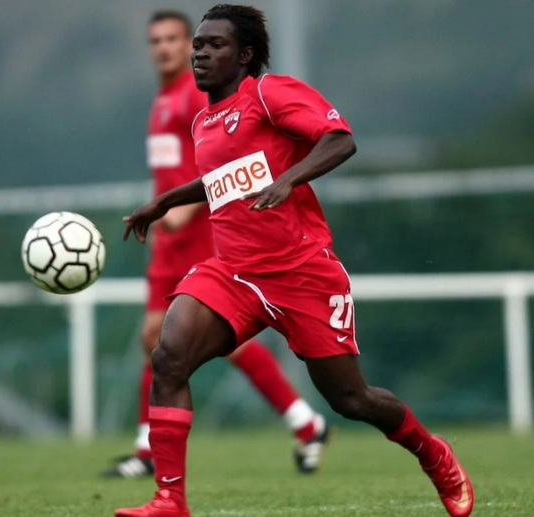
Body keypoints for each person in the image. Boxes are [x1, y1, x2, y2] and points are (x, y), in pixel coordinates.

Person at [116, 4, 475, 517]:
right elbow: (221, 179)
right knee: (168, 355)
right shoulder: (203, 121)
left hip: (302, 273)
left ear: (244, 55)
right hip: (235, 273)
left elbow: (340, 139)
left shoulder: (270, 92)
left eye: (215, 45)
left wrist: (289, 179)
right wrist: (165, 201)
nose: (200, 54)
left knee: (351, 400)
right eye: (198, 45)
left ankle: (432, 453)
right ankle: (170, 499)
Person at [102, 10, 330, 479]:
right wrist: (162, 209)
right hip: (167, 241)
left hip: (202, 234)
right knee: (160, 339)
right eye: (156, 41)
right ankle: (303, 423)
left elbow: (225, 163)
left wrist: (183, 210)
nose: (165, 48)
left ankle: (152, 447)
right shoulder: (163, 100)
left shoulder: (198, 94)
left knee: (197, 337)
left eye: (174, 39)